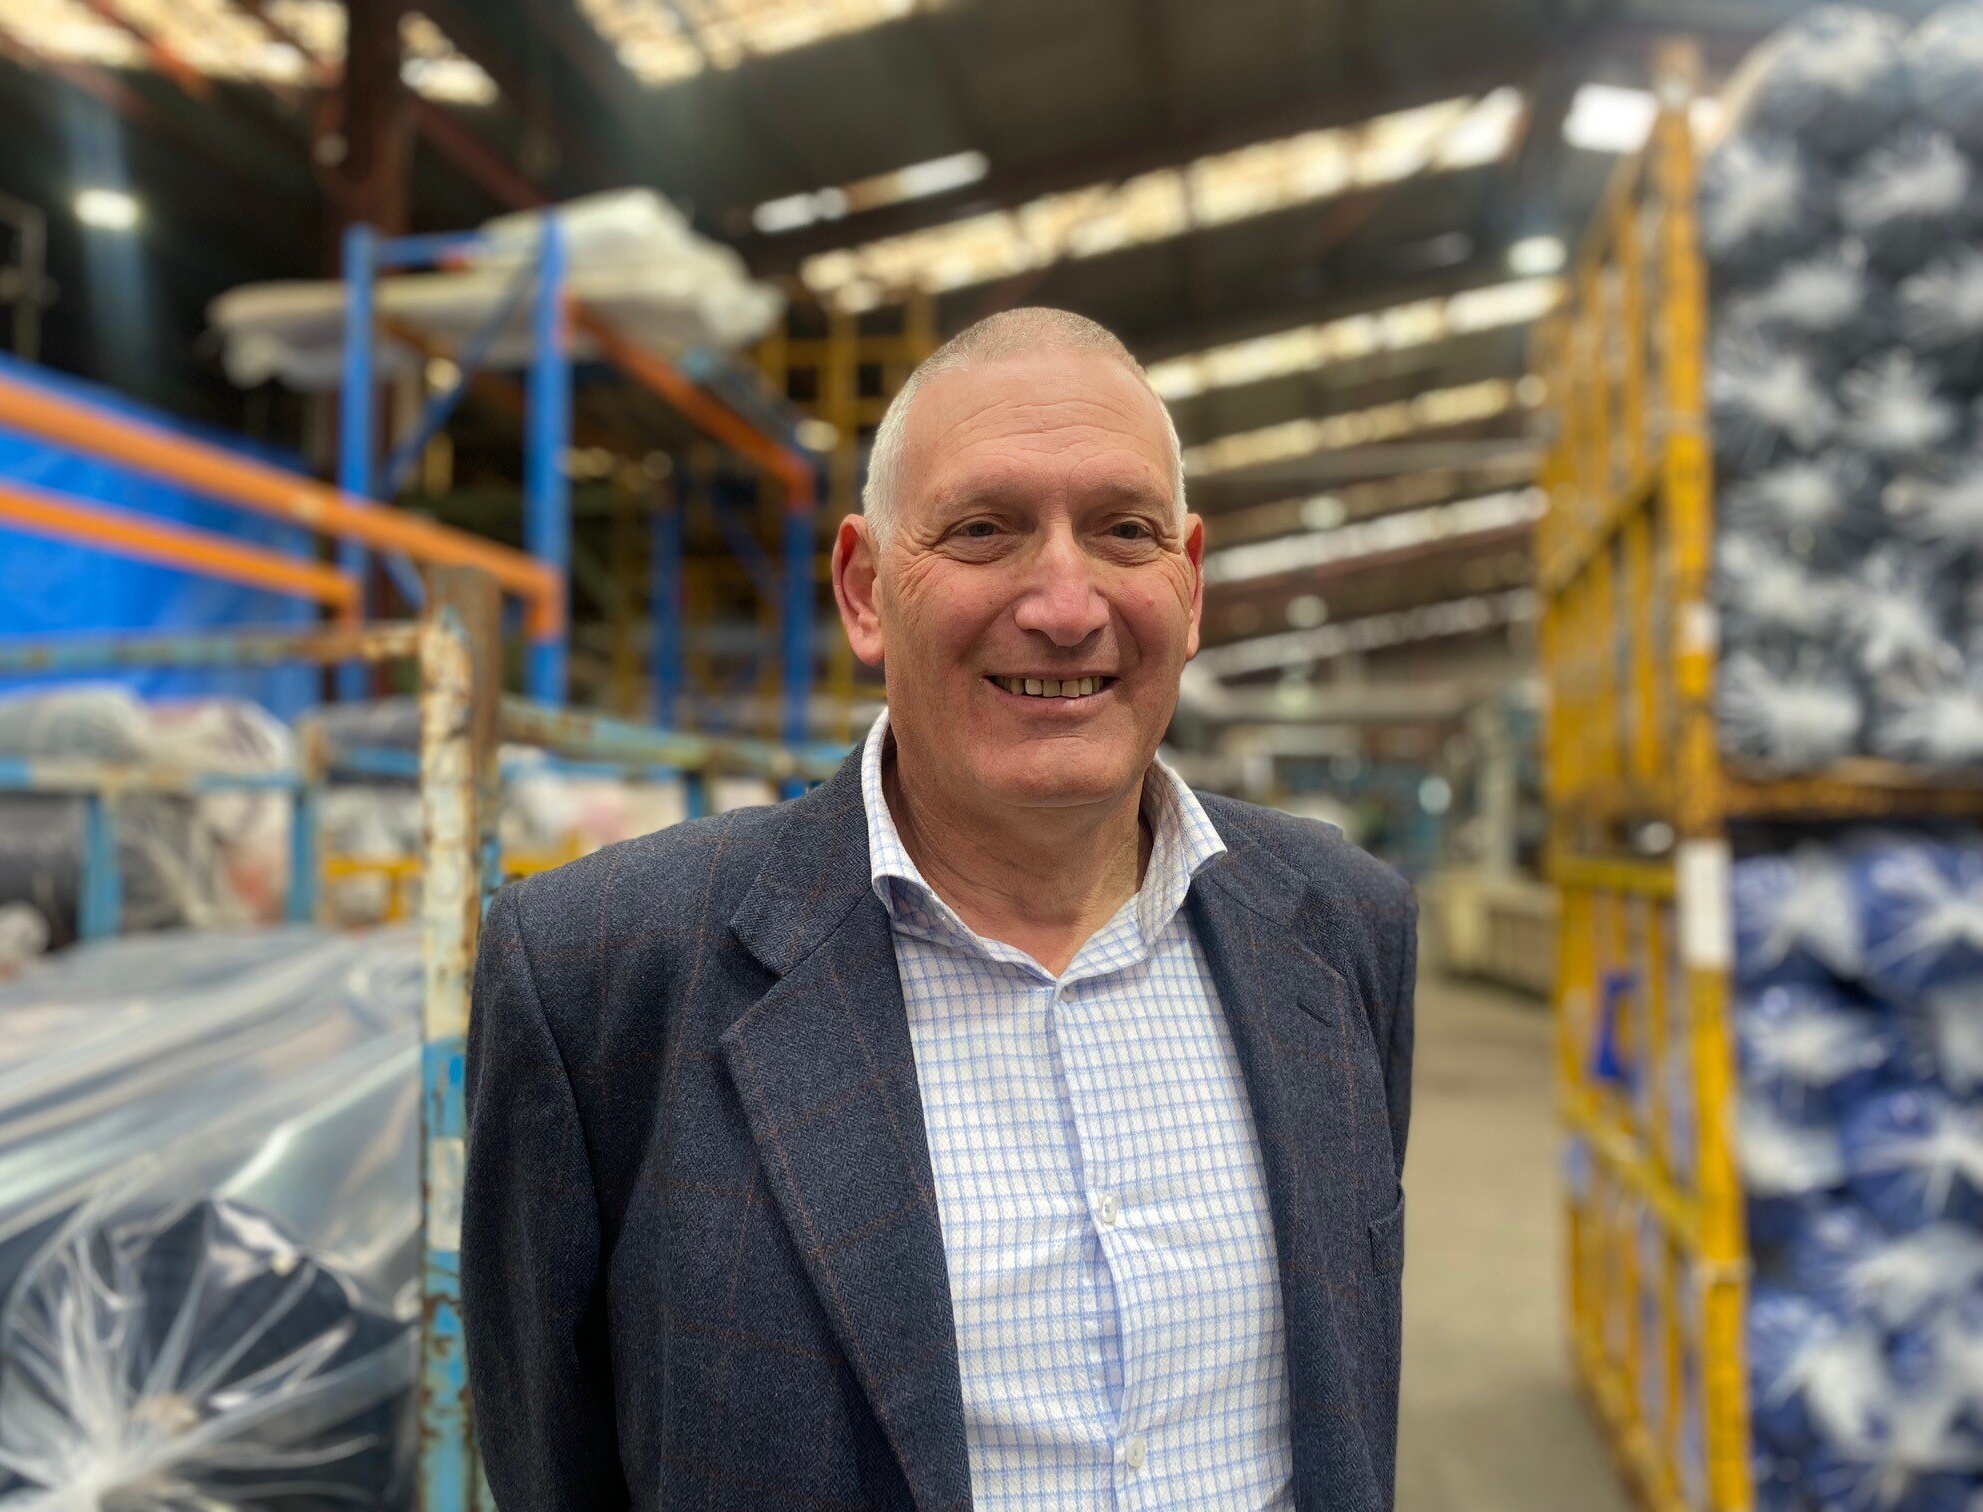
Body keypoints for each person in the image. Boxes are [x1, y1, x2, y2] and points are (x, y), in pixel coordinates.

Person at [462, 307, 1417, 1512]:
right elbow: (551, 1465)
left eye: (1125, 531)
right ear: (865, 591)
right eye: (984, 531)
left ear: (1190, 583)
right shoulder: (598, 976)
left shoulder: (1342, 927)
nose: (1067, 608)